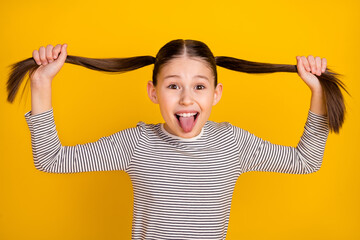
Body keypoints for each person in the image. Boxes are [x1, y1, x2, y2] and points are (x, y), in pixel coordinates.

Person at [25, 40, 329, 240]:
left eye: (199, 87)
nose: (186, 99)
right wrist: (40, 82)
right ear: (153, 92)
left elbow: (305, 161)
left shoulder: (233, 144)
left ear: (216, 94)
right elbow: (53, 160)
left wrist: (318, 91)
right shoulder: (137, 143)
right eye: (173, 86)